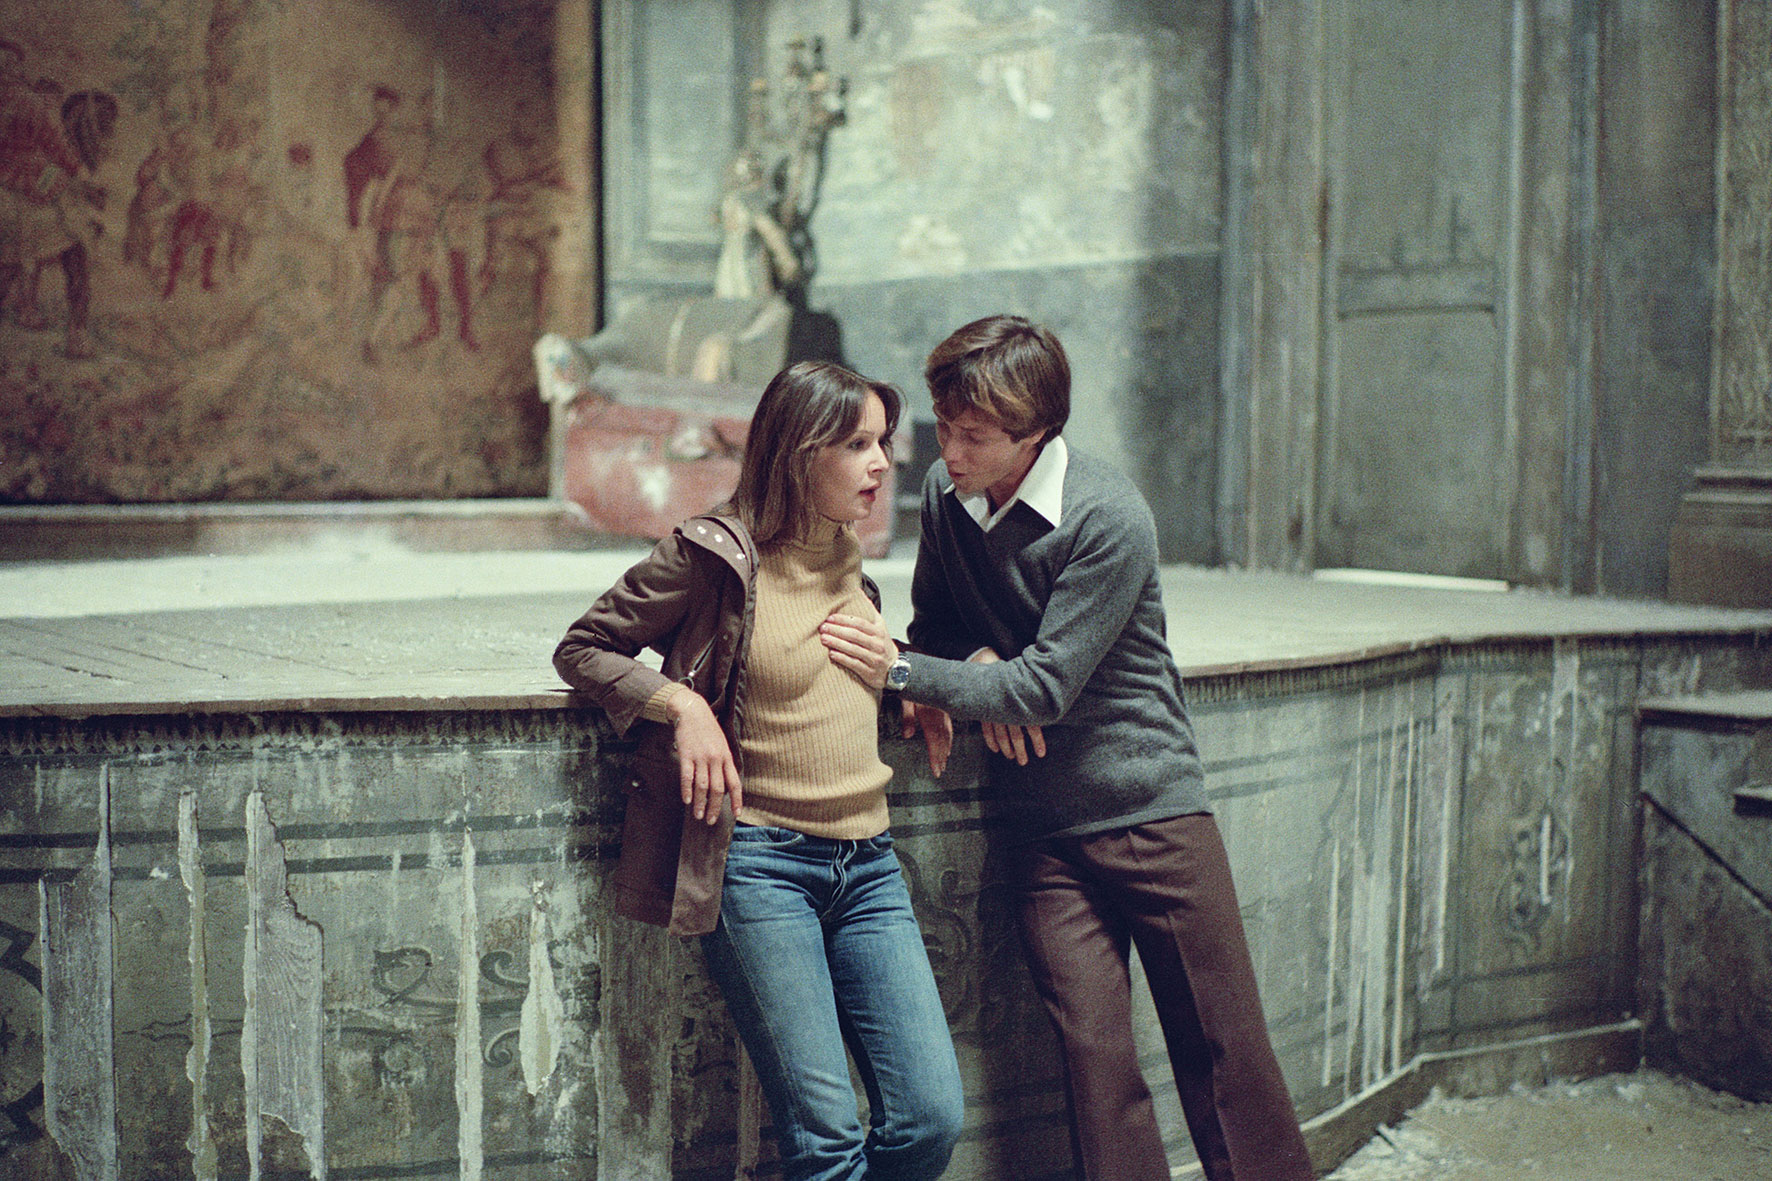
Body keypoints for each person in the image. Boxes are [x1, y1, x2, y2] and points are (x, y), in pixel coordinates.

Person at [819, 316, 1315, 1181]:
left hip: (1151, 811)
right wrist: (976, 659)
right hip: (1040, 827)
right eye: (944, 427)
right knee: (1096, 1069)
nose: (950, 452)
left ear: (1036, 432)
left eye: (975, 436)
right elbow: (939, 622)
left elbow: (1042, 689)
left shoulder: (1108, 514)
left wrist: (901, 671)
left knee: (1225, 1054)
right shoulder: (945, 492)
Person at [553, 360, 964, 1181]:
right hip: (761, 865)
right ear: (801, 451)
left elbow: (824, 663)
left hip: (870, 866)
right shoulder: (711, 556)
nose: (882, 463)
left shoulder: (848, 558)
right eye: (858, 444)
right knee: (827, 1143)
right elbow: (583, 647)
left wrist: (910, 678)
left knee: (930, 1121)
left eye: (883, 442)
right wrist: (681, 704)